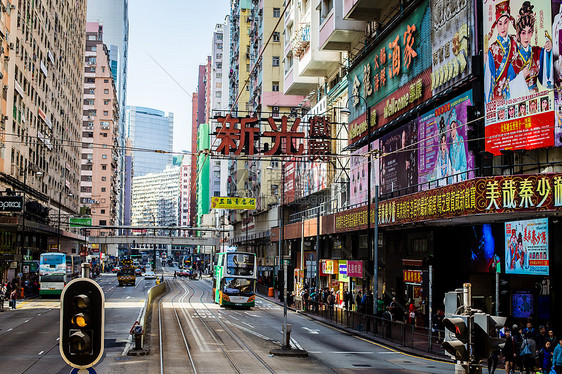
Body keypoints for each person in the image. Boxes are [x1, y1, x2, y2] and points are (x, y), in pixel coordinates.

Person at [510, 1, 553, 96]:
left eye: (529, 32)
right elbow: (507, 89)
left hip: (537, 99)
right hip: (521, 101)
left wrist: (549, 51)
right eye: (523, 33)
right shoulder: (513, 58)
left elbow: (546, 77)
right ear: (518, 34)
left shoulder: (537, 51)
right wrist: (521, 77)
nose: (526, 37)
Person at [485, 0, 518, 103]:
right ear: (496, 25)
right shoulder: (491, 49)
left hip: (515, 90)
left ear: (509, 22)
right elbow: (488, 77)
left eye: (505, 23)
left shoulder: (515, 41)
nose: (503, 27)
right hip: (498, 96)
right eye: (500, 24)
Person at [448, 109, 468, 183]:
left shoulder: (460, 140)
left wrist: (462, 174)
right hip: (453, 177)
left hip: (460, 175)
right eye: (450, 129)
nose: (452, 131)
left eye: (453, 127)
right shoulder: (450, 146)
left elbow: (463, 160)